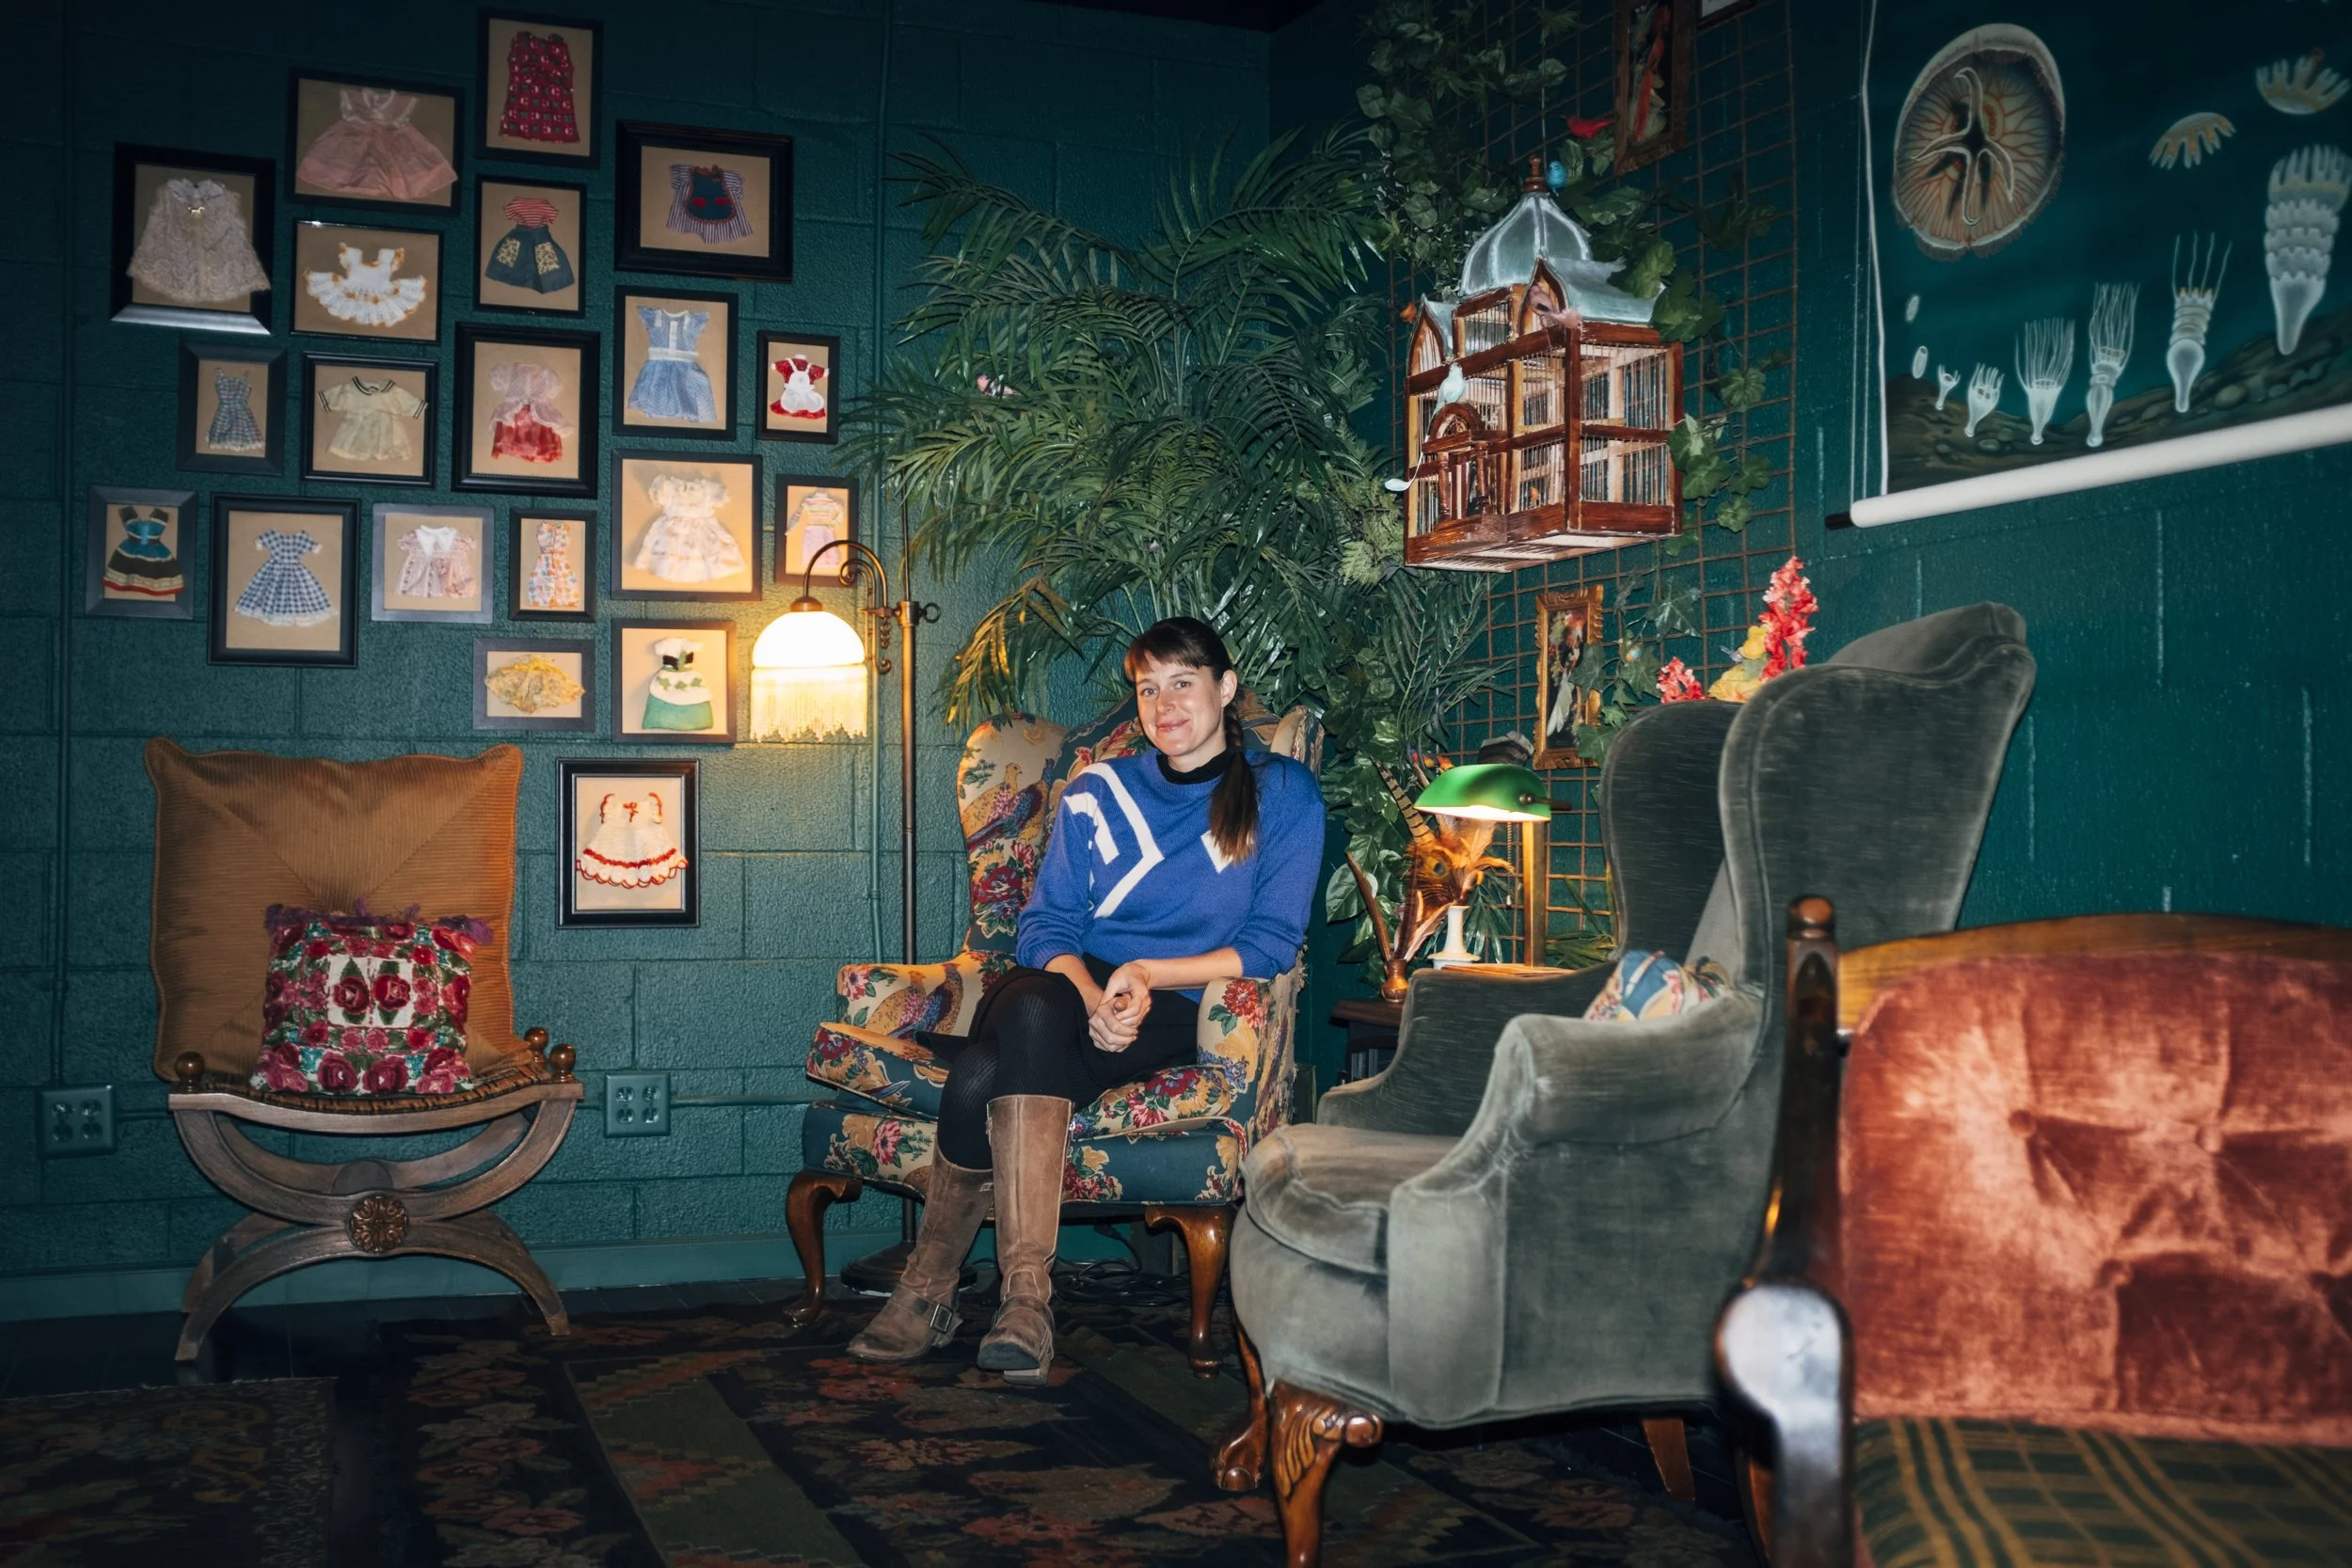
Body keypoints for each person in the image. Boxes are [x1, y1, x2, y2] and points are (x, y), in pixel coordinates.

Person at [848, 616, 1326, 1382]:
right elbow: (1043, 926)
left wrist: (1144, 975)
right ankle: (1026, 1301)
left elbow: (1272, 942)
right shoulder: (1099, 789)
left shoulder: (1283, 791)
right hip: (1065, 984)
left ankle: (929, 1289)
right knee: (1035, 1007)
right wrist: (1098, 995)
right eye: (1149, 689)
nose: (1165, 705)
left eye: (1184, 683)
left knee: (980, 1074)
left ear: (1226, 688)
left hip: (1176, 1001)